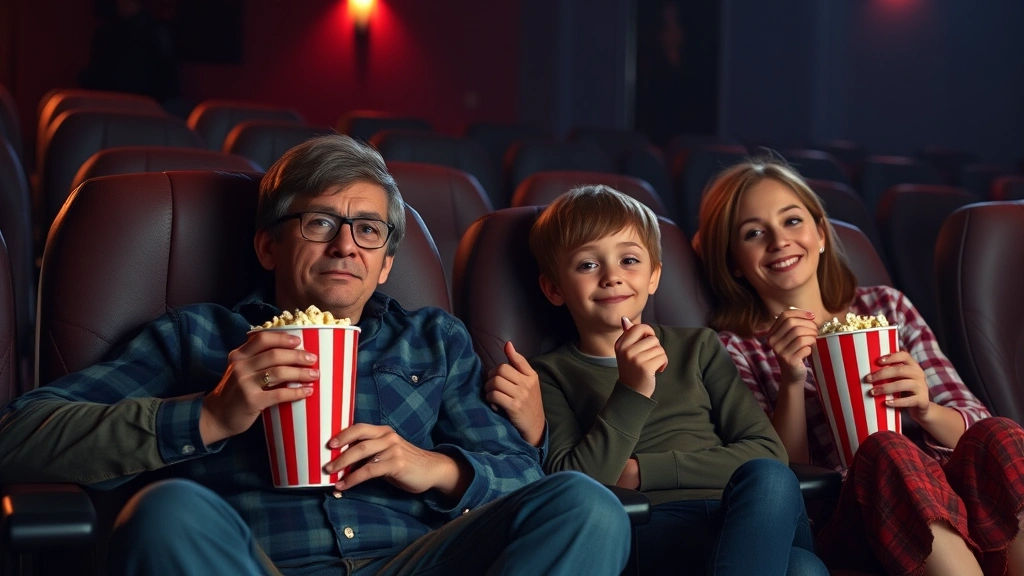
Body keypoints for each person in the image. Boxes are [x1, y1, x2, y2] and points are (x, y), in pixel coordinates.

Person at [0, 135, 632, 575]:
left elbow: (523, 474)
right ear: (269, 246)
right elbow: (18, 437)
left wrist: (433, 467)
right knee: (168, 511)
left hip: (413, 562)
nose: (345, 246)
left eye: (368, 229)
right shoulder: (194, 337)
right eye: (318, 222)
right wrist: (209, 415)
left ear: (387, 263)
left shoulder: (434, 340)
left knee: (585, 505)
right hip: (258, 561)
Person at [695, 156, 1024, 576]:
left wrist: (924, 408)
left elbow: (976, 424)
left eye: (792, 221)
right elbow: (776, 479)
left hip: (953, 499)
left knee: (1002, 433)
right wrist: (793, 379)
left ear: (820, 233)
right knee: (888, 451)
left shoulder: (887, 306)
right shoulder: (736, 349)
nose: (779, 240)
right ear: (734, 263)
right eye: (754, 233)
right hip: (851, 521)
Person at [485, 185, 828, 575]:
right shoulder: (549, 374)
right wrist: (631, 390)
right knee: (803, 569)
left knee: (770, 478)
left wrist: (642, 471)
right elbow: (579, 484)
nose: (612, 277)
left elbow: (768, 451)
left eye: (629, 260)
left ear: (654, 277)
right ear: (554, 288)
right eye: (587, 265)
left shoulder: (699, 346)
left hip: (745, 510)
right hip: (652, 526)